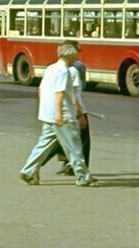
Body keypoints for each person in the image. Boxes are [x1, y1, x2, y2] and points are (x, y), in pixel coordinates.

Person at [19, 42, 97, 187]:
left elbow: (42, 90)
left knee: (43, 145)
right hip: (62, 114)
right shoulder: (63, 71)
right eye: (75, 55)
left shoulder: (50, 68)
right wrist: (60, 114)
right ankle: (83, 177)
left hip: (48, 114)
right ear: (71, 54)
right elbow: (60, 93)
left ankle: (28, 170)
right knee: (74, 147)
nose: (76, 57)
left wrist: (46, 110)